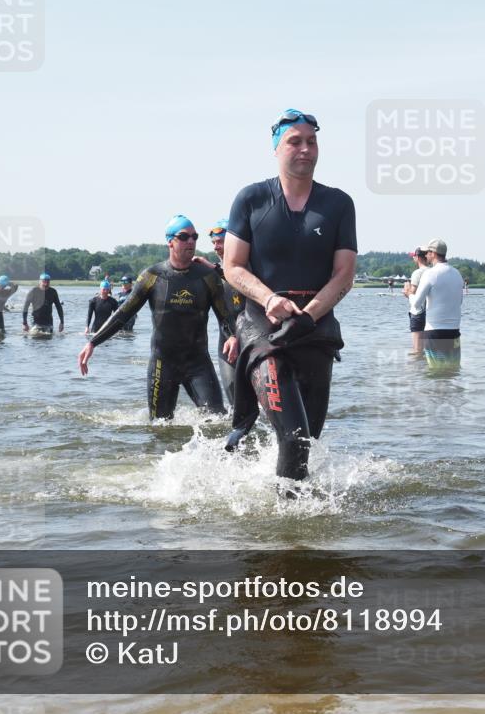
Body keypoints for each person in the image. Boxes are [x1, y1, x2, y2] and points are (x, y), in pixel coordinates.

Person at [221, 109, 356, 486]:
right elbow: (233, 267)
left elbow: (345, 274)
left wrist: (309, 315)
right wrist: (269, 300)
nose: (305, 149)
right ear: (276, 149)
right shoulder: (251, 198)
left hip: (315, 327)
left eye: (311, 141)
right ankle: (287, 535)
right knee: (294, 441)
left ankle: (287, 513)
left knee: (307, 441)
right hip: (265, 330)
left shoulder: (338, 204)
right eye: (294, 142)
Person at [77, 215, 232, 420]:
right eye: (184, 237)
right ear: (170, 241)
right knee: (160, 428)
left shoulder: (207, 276)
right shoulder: (153, 276)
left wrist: (232, 336)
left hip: (198, 364)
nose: (191, 241)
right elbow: (123, 313)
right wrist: (93, 342)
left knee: (218, 420)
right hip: (163, 364)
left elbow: (225, 316)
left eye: (194, 237)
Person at [193, 218, 244, 405]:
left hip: (251, 337)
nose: (216, 247)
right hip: (227, 339)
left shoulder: (248, 267)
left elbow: (234, 277)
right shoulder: (212, 273)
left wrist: (212, 267)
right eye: (213, 242)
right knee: (234, 398)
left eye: (220, 241)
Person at [410, 239, 464, 370]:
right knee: (452, 372)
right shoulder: (457, 274)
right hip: (454, 332)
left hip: (435, 333)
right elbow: (460, 301)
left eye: (427, 252)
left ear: (433, 253)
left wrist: (409, 294)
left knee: (436, 373)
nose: (426, 255)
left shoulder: (430, 274)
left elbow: (417, 304)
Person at [402, 247, 429, 354]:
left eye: (414, 256)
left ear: (418, 257)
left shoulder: (417, 273)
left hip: (418, 313)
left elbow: (412, 294)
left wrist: (406, 290)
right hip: (430, 312)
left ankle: (416, 369)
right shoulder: (433, 271)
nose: (413, 257)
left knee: (417, 351)